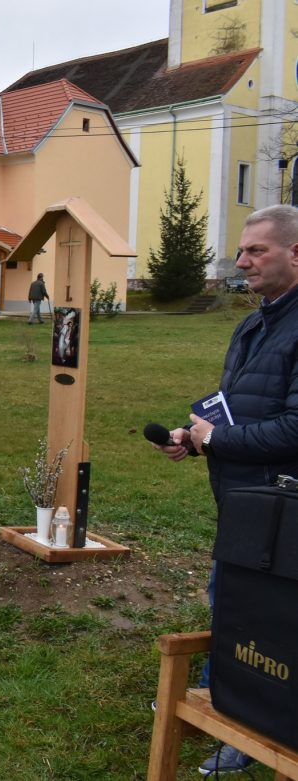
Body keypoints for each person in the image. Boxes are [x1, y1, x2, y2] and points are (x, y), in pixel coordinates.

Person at [152, 205, 298, 776]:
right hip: (241, 502)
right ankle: (222, 702)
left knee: (270, 623)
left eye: (256, 250)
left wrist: (219, 440)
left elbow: (293, 428)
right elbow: (235, 408)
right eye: (241, 250)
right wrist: (194, 437)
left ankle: (249, 727)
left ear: (294, 253)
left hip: (282, 511)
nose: (241, 262)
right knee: (232, 606)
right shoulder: (255, 322)